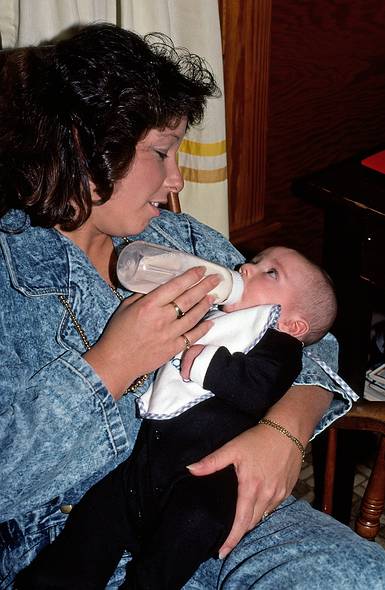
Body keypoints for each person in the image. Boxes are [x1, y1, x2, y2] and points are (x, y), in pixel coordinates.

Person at [0, 22, 384, 590]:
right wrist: (111, 365)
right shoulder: (11, 281)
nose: (177, 178)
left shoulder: (183, 242)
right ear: (83, 148)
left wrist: (283, 432)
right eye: (160, 152)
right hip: (68, 542)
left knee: (352, 575)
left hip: (222, 503)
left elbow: (308, 332)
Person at [15, 247, 339, 590]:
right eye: (256, 262)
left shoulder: (279, 345)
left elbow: (258, 388)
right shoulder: (216, 314)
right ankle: (52, 580)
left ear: (292, 324)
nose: (245, 267)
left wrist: (207, 364)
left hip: (204, 481)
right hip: (145, 467)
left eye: (270, 273)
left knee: (192, 525)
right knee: (98, 513)